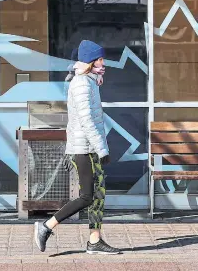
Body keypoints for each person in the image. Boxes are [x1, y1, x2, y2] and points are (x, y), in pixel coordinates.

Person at [34, 40, 121, 255]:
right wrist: (103, 149)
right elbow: (87, 121)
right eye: (100, 59)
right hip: (83, 149)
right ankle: (46, 227)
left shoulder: (91, 81)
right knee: (87, 197)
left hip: (90, 147)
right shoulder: (82, 84)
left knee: (99, 195)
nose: (103, 63)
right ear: (90, 61)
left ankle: (95, 241)